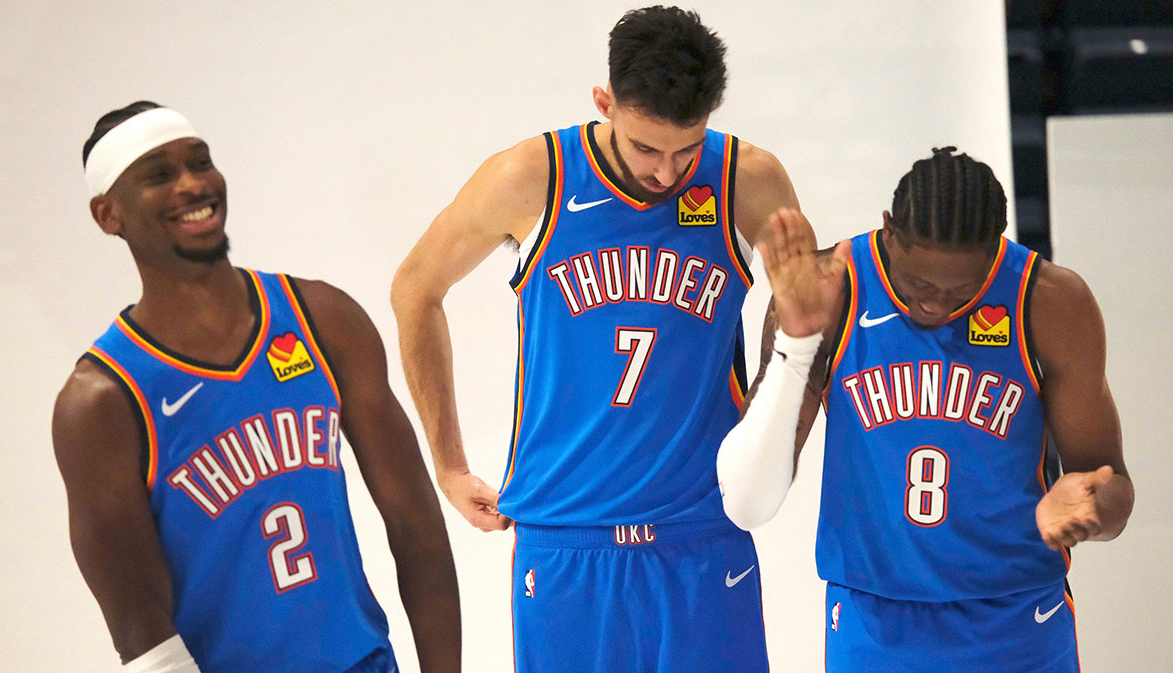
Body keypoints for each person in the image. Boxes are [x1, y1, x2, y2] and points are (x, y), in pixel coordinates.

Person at [391, 6, 802, 672]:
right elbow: (415, 289)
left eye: (686, 149)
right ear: (604, 102)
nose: (668, 174)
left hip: (703, 533)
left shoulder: (746, 179)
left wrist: (764, 420)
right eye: (646, 147)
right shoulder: (532, 177)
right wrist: (447, 459)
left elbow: (803, 312)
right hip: (565, 540)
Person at [52, 101, 460, 673]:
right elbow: (140, 632)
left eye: (200, 162)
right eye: (160, 175)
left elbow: (417, 530)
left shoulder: (321, 318)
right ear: (107, 214)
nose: (192, 184)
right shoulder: (101, 401)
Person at [716, 147, 1135, 672]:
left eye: (962, 290)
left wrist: (1091, 508)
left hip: (1019, 617)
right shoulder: (832, 289)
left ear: (996, 251)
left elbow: (1115, 490)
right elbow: (748, 501)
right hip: (875, 622)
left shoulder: (1050, 301)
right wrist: (795, 345)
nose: (937, 304)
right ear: (888, 231)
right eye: (920, 286)